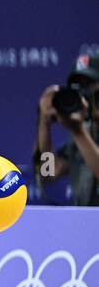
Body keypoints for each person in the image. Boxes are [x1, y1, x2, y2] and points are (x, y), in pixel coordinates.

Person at [35, 57, 99, 206]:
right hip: (84, 224)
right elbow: (48, 172)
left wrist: (78, 132)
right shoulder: (82, 137)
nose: (85, 95)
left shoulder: (81, 134)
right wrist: (44, 123)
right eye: (79, 87)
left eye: (91, 87)